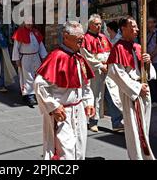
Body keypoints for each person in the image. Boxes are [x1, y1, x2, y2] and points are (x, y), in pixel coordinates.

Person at [35, 21, 96, 160]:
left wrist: (88, 103)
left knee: (79, 150)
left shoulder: (79, 57)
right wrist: (54, 106)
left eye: (82, 34)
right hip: (62, 113)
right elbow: (39, 85)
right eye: (77, 35)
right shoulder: (56, 57)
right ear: (66, 36)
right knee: (64, 152)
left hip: (79, 111)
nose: (82, 37)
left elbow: (85, 85)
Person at [107, 16, 157, 160]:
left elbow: (147, 73)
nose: (137, 30)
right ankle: (138, 158)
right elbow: (117, 74)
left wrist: (147, 62)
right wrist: (137, 87)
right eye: (133, 27)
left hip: (144, 89)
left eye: (136, 26)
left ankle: (145, 156)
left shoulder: (138, 47)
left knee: (144, 127)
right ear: (123, 29)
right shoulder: (118, 48)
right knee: (135, 129)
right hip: (132, 93)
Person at [80, 14, 112, 132]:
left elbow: (110, 51)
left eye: (100, 24)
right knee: (95, 95)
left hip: (107, 69)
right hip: (95, 71)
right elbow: (86, 56)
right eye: (96, 24)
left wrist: (109, 64)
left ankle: (117, 121)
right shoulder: (85, 38)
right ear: (90, 25)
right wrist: (100, 65)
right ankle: (93, 121)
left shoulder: (103, 37)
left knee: (112, 94)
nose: (99, 26)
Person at [12, 18, 48, 108]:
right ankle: (29, 95)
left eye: (31, 22)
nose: (29, 24)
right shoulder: (19, 32)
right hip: (25, 57)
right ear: (24, 23)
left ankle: (36, 93)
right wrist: (17, 59)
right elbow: (16, 47)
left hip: (36, 57)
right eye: (28, 23)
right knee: (27, 77)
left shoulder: (36, 32)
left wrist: (44, 56)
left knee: (37, 75)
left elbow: (40, 45)